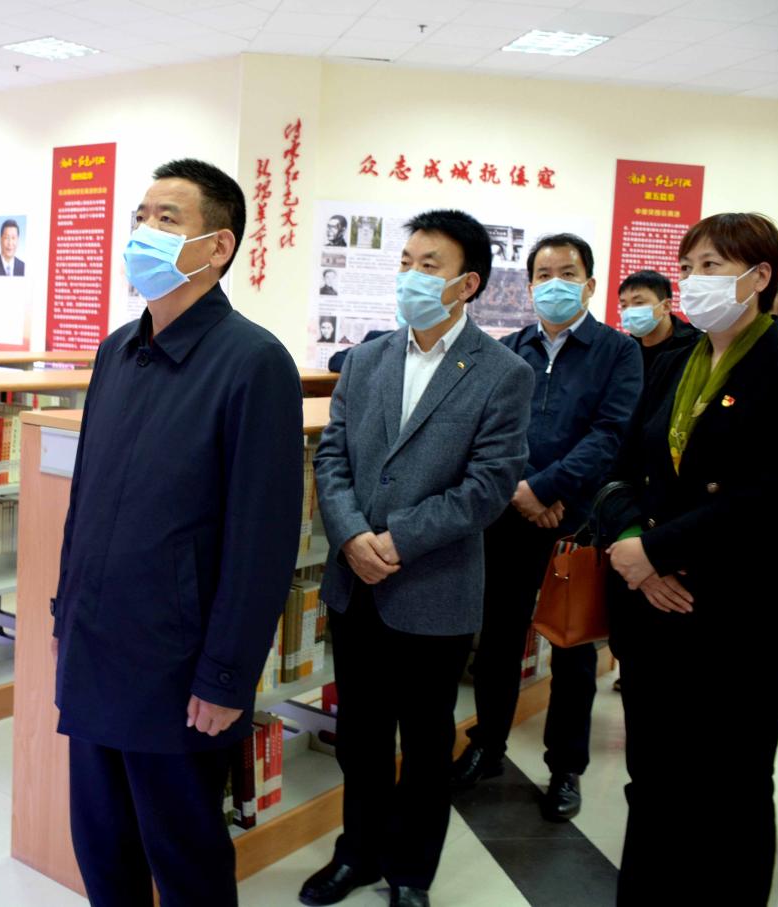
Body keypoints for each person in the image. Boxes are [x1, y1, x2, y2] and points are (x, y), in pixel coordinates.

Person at [52, 158, 302, 907]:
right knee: (102, 848)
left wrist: (226, 675)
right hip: (96, 647)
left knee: (184, 858)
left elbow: (261, 541)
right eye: (140, 216)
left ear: (217, 246)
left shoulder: (255, 362)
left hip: (178, 667)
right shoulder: (116, 349)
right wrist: (65, 616)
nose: (143, 232)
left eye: (167, 218)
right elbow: (86, 501)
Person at [302, 209, 533, 907]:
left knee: (427, 743)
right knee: (360, 736)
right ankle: (357, 853)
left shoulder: (502, 373)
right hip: (357, 582)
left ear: (467, 284)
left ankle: (410, 872)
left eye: (428, 265)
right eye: (406, 262)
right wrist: (351, 535)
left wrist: (397, 539)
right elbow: (333, 457)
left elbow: (489, 484)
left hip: (433, 585)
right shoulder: (367, 358)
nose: (410, 276)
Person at [605, 213, 778, 906]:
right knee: (653, 780)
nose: (692, 280)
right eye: (688, 266)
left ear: (759, 278)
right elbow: (621, 468)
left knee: (731, 789)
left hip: (741, 615)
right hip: (653, 610)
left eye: (710, 266)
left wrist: (654, 551)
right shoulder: (673, 363)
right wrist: (632, 547)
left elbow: (769, 495)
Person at [452, 234, 643, 822]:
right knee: (498, 640)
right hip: (509, 515)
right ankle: (488, 744)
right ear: (529, 283)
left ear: (589, 284)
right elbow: (487, 430)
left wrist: (548, 489)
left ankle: (566, 767)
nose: (553, 283)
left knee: (572, 647)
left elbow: (610, 434)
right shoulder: (510, 349)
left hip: (575, 522)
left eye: (568, 273)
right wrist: (521, 490)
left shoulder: (618, 352)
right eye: (542, 273)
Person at [618, 269, 700, 375]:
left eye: (639, 302)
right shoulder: (625, 350)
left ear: (666, 306)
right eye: (624, 305)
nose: (630, 311)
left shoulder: (696, 344)